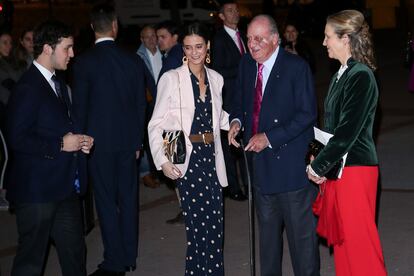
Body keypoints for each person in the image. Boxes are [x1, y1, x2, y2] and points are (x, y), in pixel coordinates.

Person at [228, 15, 320, 275]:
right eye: (248, 39)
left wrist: (269, 137)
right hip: (260, 170)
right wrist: (236, 121)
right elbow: (238, 100)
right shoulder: (247, 64)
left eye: (259, 39)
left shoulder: (295, 67)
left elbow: (307, 114)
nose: (253, 45)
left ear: (275, 39)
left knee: (301, 245)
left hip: (290, 170)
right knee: (267, 244)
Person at [5, 20, 93, 276]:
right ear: (47, 49)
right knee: (31, 261)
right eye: (67, 48)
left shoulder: (57, 83)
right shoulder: (27, 87)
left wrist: (80, 140)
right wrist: (60, 144)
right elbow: (17, 138)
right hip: (36, 192)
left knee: (75, 253)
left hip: (63, 187)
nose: (72, 54)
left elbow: (58, 126)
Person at [306, 10, 387, 275]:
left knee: (361, 246)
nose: (324, 42)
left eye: (328, 36)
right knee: (344, 247)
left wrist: (319, 165)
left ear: (346, 39)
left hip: (356, 169)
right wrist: (318, 158)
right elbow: (331, 129)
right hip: (340, 170)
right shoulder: (342, 74)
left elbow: (347, 132)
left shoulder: (361, 76)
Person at [148, 22, 229, 276]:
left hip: (211, 158)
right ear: (182, 49)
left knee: (216, 228)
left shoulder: (216, 78)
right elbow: (158, 124)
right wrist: (164, 160)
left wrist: (234, 124)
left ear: (208, 47)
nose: (195, 52)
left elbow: (216, 115)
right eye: (189, 47)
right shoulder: (172, 79)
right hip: (188, 160)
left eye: (199, 46)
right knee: (197, 230)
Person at [72, 4, 146, 276]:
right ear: (115, 26)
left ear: (93, 28)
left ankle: (114, 259)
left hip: (97, 144)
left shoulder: (83, 62)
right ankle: (129, 256)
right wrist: (138, 142)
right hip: (128, 143)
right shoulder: (133, 60)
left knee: (105, 201)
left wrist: (80, 144)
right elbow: (141, 106)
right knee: (128, 199)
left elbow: (79, 109)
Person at [211, 0, 247, 201]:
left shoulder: (244, 36)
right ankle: (233, 187)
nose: (235, 13)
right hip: (229, 98)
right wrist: (244, 69)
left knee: (245, 142)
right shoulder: (219, 39)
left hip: (245, 96)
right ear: (222, 16)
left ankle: (249, 185)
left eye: (236, 9)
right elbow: (217, 71)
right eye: (230, 11)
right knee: (229, 147)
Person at [155, 20, 185, 224]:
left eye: (162, 36)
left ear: (175, 37)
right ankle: (186, 208)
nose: (158, 41)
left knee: (177, 166)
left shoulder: (174, 57)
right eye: (157, 37)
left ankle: (186, 209)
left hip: (174, 124)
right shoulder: (173, 55)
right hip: (176, 122)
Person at [136, 24, 163, 188]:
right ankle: (148, 172)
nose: (152, 39)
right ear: (142, 39)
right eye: (147, 37)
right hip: (149, 103)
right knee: (149, 138)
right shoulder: (138, 57)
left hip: (167, 101)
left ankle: (168, 170)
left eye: (153, 35)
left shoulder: (165, 52)